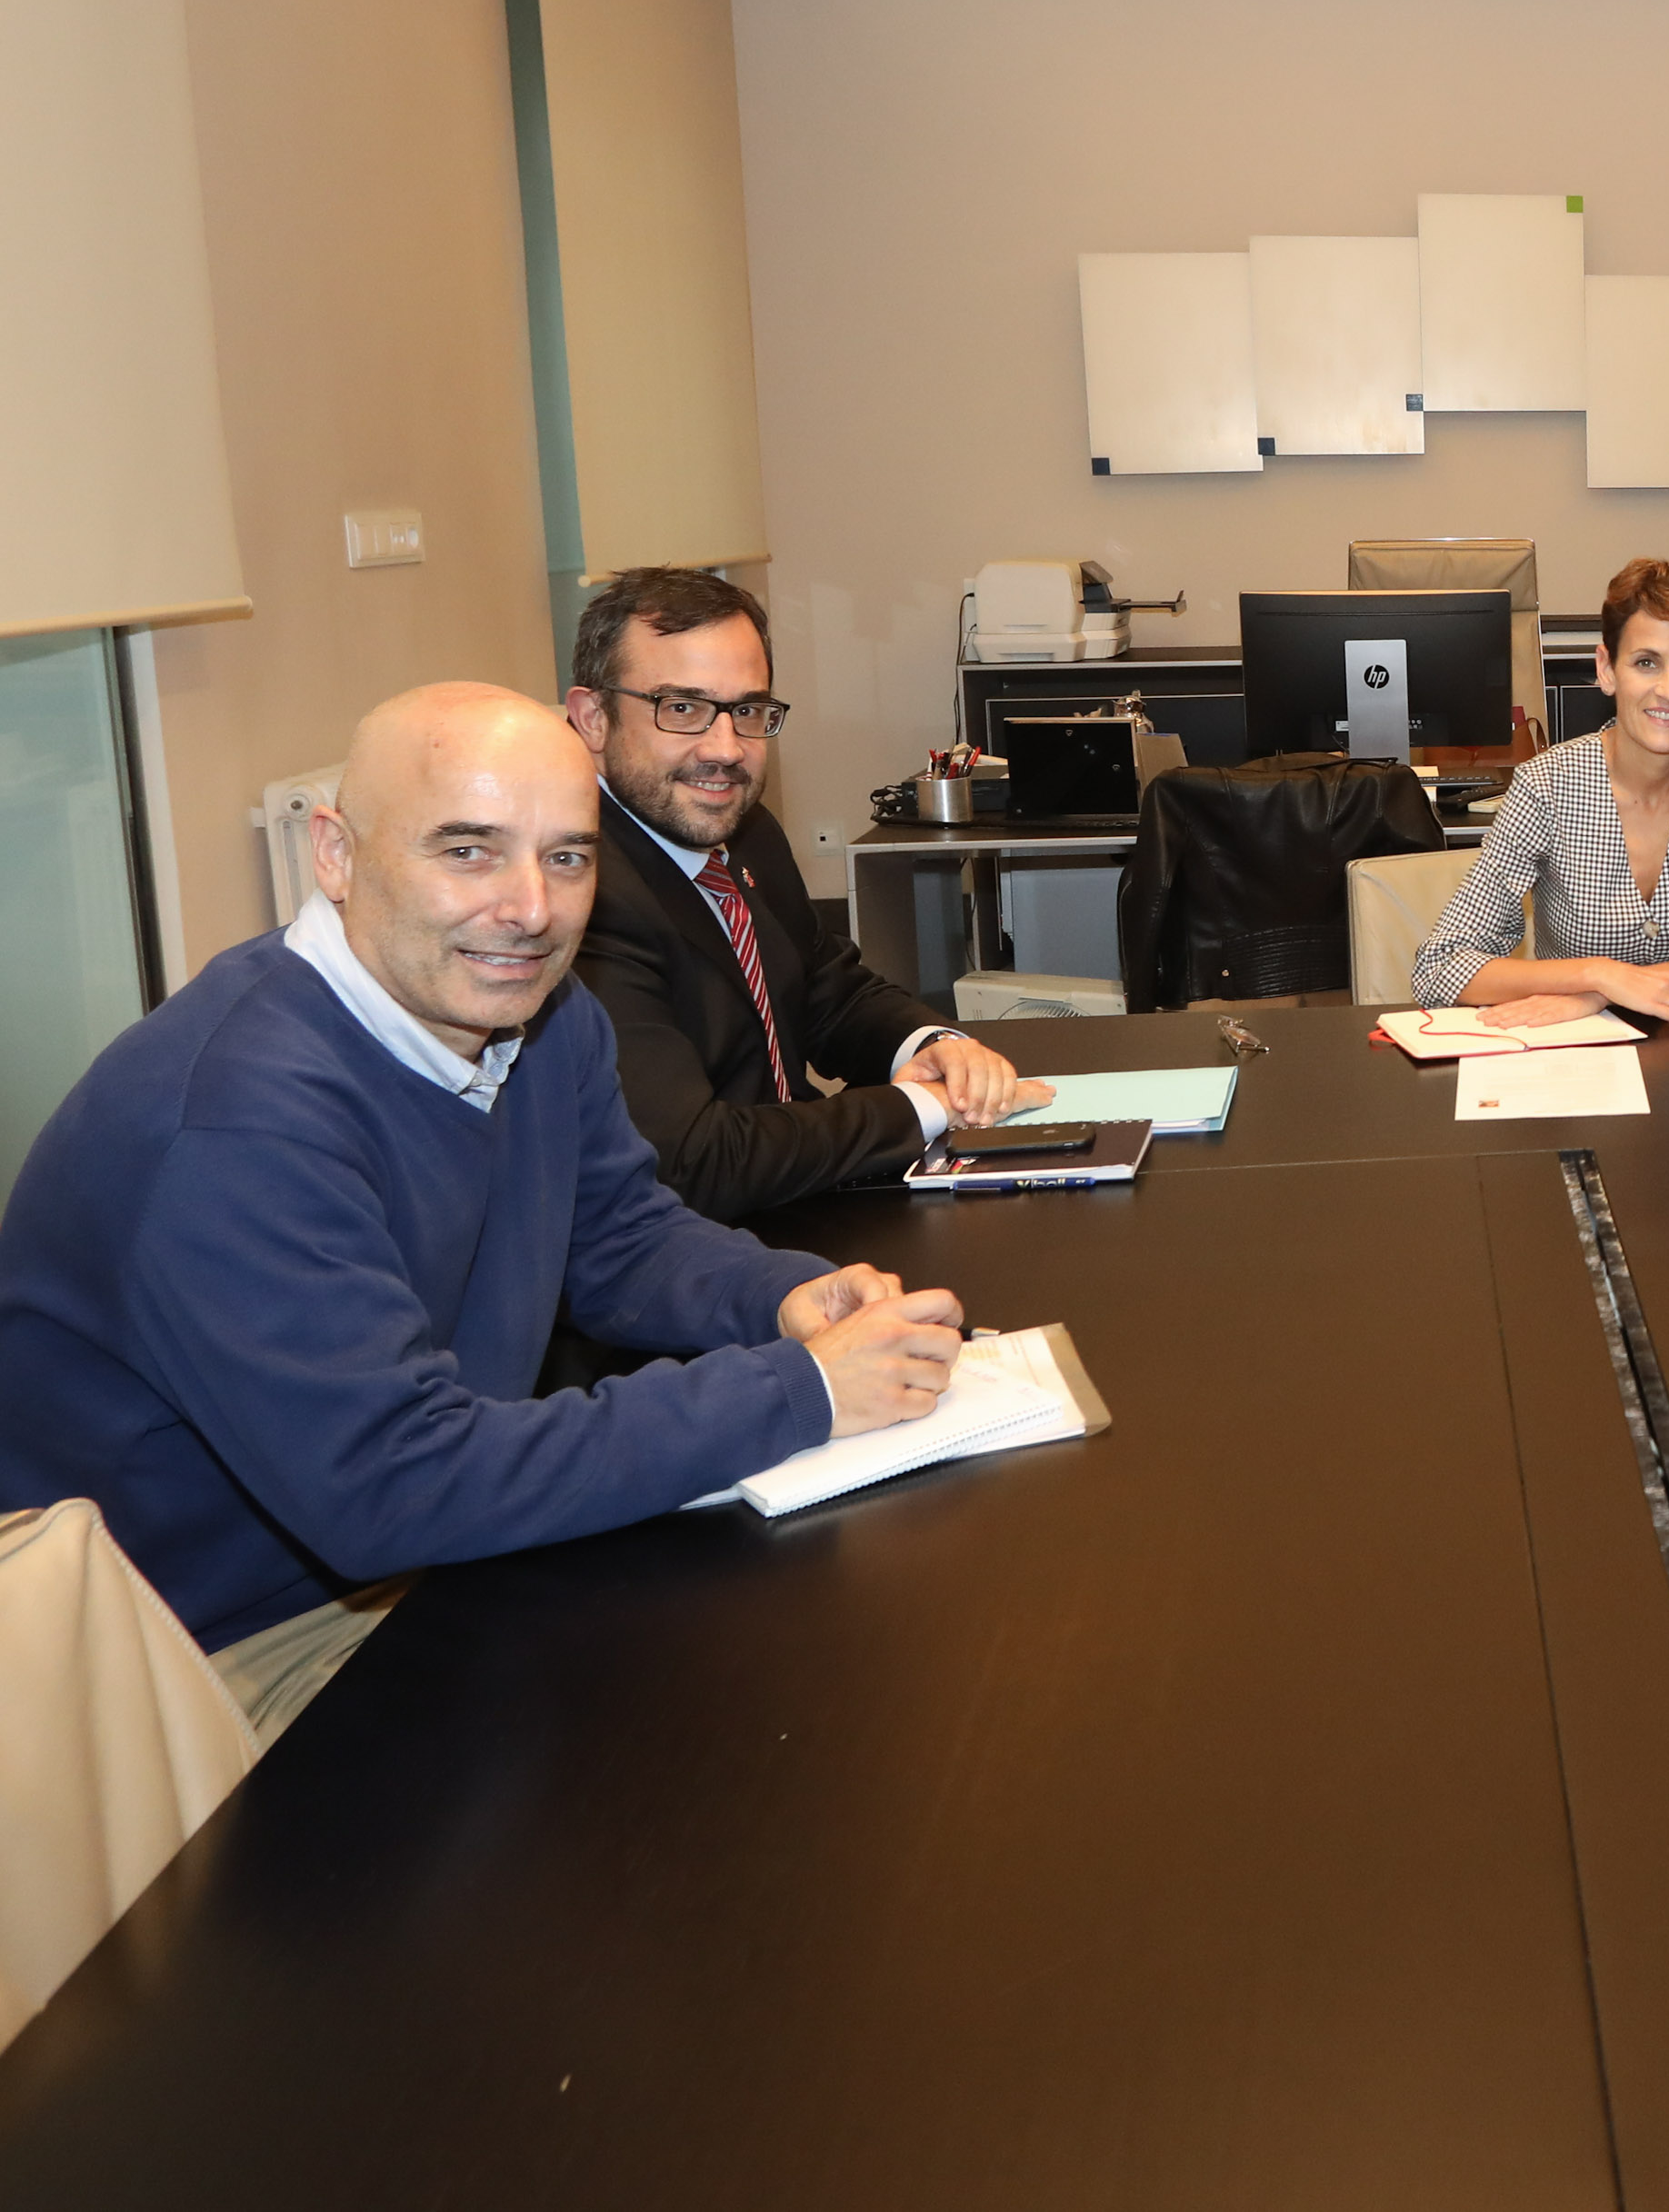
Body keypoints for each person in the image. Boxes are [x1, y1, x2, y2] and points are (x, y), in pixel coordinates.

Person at [0, 684, 966, 1742]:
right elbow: (396, 1486)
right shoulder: (231, 1123)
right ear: (335, 854)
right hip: (205, 1654)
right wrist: (801, 1391)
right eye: (467, 851)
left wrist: (784, 1298)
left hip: (410, 1559)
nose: (530, 910)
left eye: (567, 857)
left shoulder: (540, 1014)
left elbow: (616, 1233)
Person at [565, 568, 1049, 1221]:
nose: (726, 749)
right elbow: (690, 1162)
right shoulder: (579, 894)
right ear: (593, 719)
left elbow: (826, 990)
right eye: (681, 708)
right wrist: (924, 1106)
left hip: (801, 1191)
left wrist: (934, 1046)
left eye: (746, 711)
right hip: (701, 1240)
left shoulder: (746, 830)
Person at [1412, 558, 1669, 1028]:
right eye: (1646, 662)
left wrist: (1602, 996)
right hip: (1578, 1053)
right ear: (1606, 669)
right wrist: (1599, 976)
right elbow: (1441, 967)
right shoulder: (1547, 784)